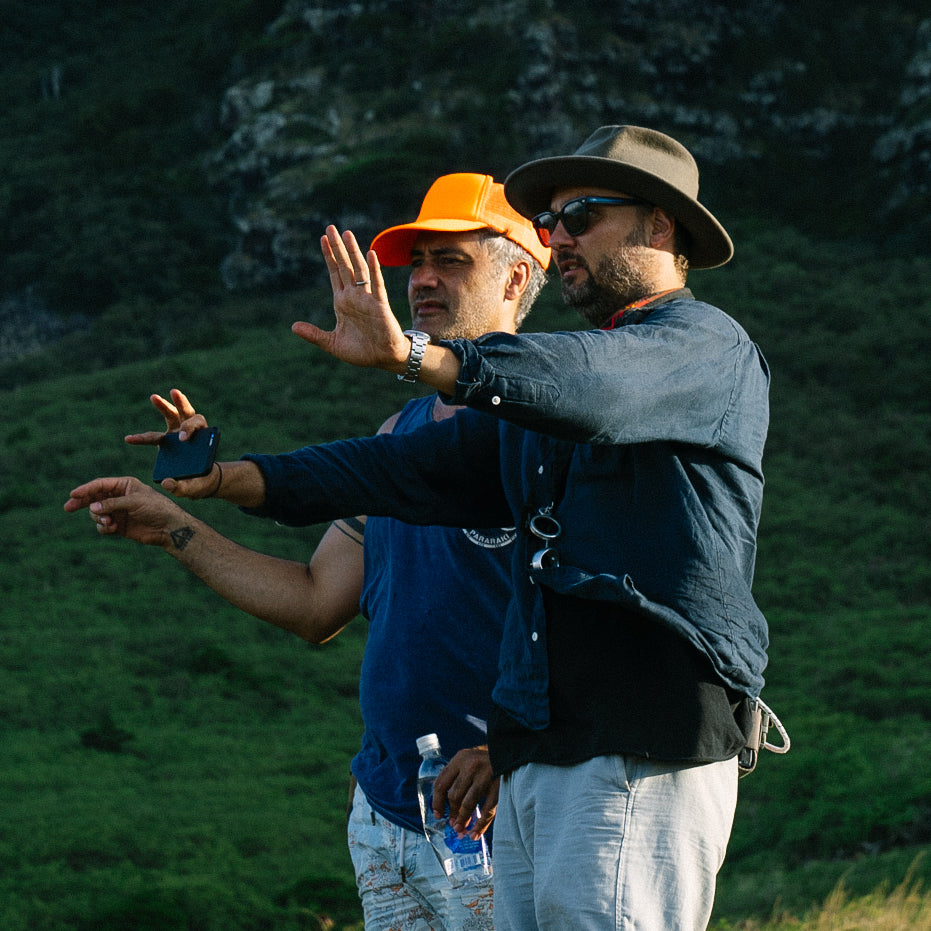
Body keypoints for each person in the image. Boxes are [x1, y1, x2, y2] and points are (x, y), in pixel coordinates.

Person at [72, 125, 770, 929]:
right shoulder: (533, 400)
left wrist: (412, 355)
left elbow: (592, 385)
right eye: (551, 221)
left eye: (581, 214)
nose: (560, 236)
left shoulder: (698, 347)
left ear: (660, 226)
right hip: (540, 751)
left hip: (637, 742)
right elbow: (406, 470)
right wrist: (229, 479)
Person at [66, 172, 551, 930]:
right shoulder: (399, 433)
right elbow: (316, 601)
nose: (420, 278)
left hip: (498, 811)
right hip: (389, 810)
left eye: (449, 260)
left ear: (517, 274)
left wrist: (520, 753)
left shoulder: (553, 432)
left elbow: (608, 621)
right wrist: (173, 527)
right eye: (415, 261)